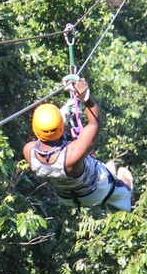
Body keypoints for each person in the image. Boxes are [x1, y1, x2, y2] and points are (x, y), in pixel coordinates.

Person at [22, 76, 134, 211]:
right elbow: (95, 124)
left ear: (35, 128)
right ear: (60, 127)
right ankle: (125, 186)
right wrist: (86, 96)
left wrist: (63, 116)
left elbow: (48, 141)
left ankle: (112, 173)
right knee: (122, 183)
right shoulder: (72, 154)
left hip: (65, 197)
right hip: (95, 191)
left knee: (104, 170)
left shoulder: (29, 150)